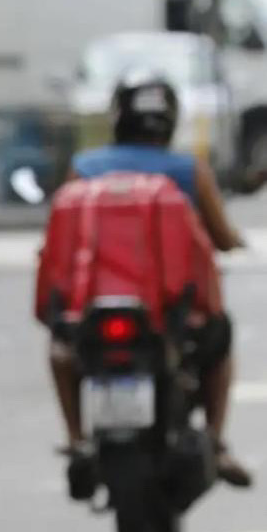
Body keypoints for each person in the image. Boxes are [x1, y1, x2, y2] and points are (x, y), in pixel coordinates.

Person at [53, 70, 252, 492]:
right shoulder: (188, 170)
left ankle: (75, 439)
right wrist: (234, 240)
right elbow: (221, 237)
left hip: (91, 309)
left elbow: (60, 241)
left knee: (61, 348)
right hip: (171, 313)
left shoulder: (85, 167)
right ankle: (216, 443)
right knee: (220, 340)